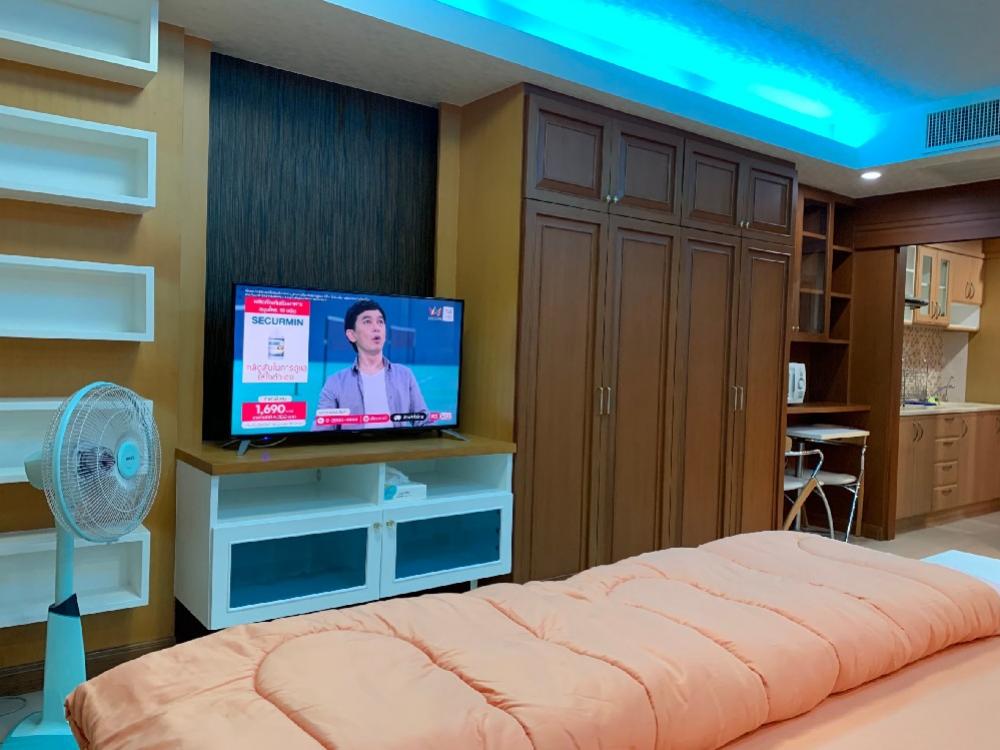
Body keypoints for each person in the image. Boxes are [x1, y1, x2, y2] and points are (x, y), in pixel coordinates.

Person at [312, 299, 428, 430]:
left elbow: (424, 420)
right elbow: (321, 431)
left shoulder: (405, 375)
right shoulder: (335, 383)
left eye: (380, 322)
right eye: (367, 321)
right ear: (351, 335)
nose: (376, 328)